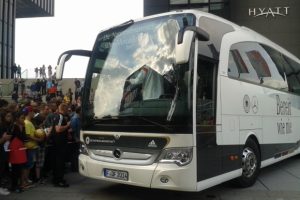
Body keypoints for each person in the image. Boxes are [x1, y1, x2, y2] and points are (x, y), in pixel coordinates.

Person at [52, 103, 71, 187]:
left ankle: (57, 179)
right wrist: (67, 125)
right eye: (67, 109)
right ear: (64, 109)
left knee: (57, 161)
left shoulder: (57, 116)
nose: (68, 111)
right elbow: (58, 129)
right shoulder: (60, 116)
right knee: (60, 161)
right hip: (60, 143)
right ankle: (59, 180)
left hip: (58, 143)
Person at [8, 111, 27, 193]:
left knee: (20, 168)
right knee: (15, 168)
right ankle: (14, 186)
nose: (23, 119)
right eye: (22, 118)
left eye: (23, 118)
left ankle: (18, 185)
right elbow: (19, 137)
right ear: (17, 119)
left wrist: (23, 127)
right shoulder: (14, 126)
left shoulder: (22, 126)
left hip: (20, 148)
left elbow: (24, 137)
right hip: (14, 149)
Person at [0, 111, 12, 195]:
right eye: (7, 116)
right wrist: (4, 138)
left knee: (2, 168)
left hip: (2, 150)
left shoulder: (4, 126)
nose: (9, 118)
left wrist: (5, 139)